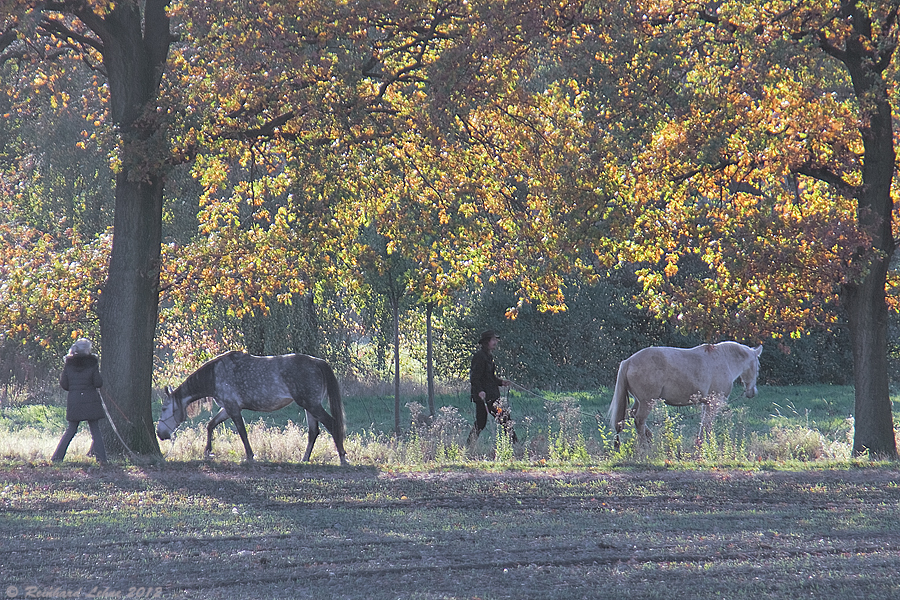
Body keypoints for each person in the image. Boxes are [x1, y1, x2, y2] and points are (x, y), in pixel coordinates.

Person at [51, 337, 108, 465]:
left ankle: (57, 457)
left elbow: (64, 384)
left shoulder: (69, 364)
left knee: (71, 430)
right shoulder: (92, 363)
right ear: (88, 350)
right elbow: (98, 383)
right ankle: (102, 459)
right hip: (90, 401)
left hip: (74, 400)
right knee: (95, 430)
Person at [467, 329, 518, 446]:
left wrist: (501, 382)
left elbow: (489, 377)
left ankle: (469, 445)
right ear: (486, 342)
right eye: (493, 340)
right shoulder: (479, 357)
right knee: (503, 418)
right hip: (485, 397)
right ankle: (515, 445)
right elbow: (474, 377)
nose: (495, 342)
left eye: (496, 340)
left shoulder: (488, 356)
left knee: (488, 421)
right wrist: (479, 391)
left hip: (491, 394)